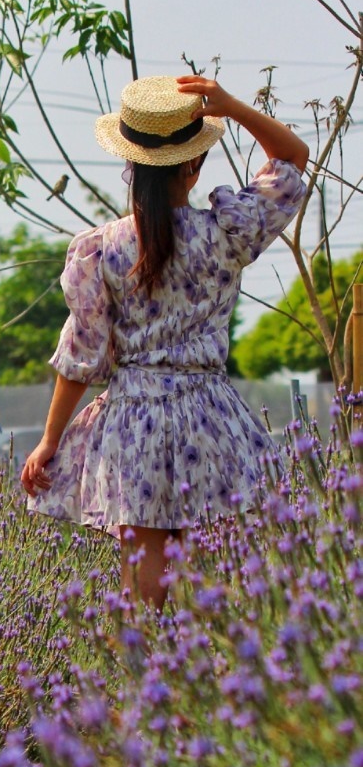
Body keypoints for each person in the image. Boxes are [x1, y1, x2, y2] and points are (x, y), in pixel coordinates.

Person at [20, 74, 309, 611]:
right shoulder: (230, 229)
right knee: (217, 574)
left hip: (134, 420)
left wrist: (48, 440)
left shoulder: (101, 250)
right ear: (194, 166)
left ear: (130, 165)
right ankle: (223, 680)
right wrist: (229, 106)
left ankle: (143, 683)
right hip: (211, 417)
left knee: (144, 583)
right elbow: (292, 159)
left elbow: (80, 357)